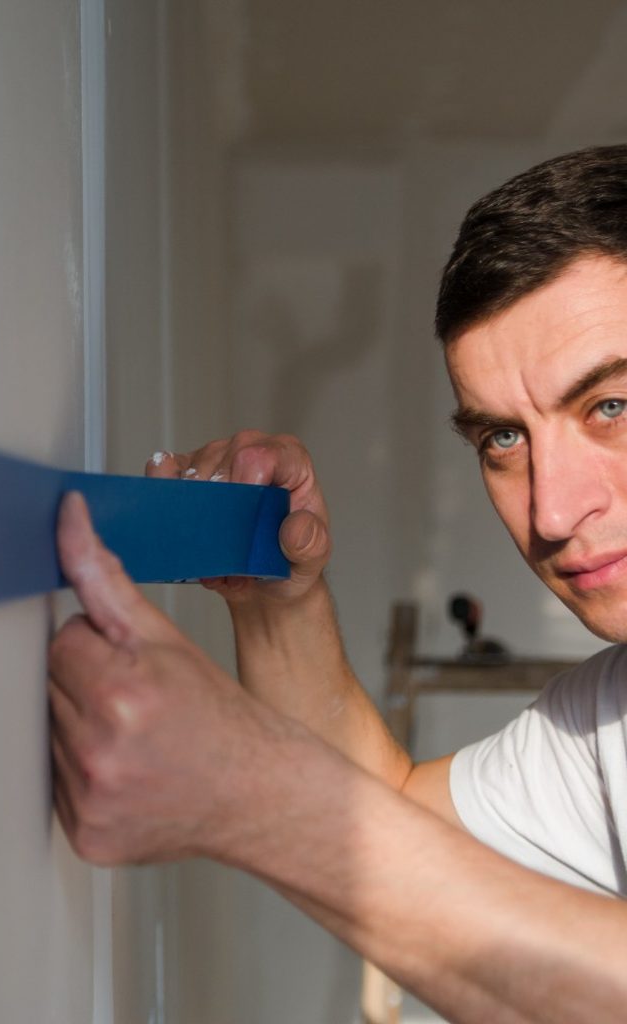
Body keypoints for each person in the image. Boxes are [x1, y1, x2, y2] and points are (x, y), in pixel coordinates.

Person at [48, 145, 627, 1023]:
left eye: (611, 407)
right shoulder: (608, 720)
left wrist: (255, 800)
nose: (551, 510)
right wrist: (278, 603)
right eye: (503, 440)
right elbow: (394, 826)